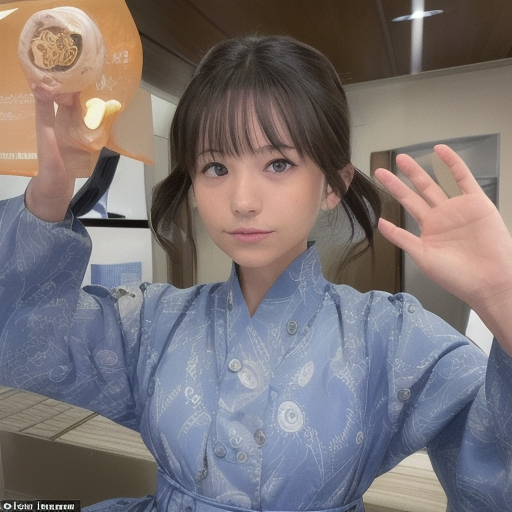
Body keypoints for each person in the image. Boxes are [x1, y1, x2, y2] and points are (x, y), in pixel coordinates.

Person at [1, 35, 511, 512]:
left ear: (333, 186)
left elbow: (491, 471)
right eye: (216, 168)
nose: (242, 201)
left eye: (279, 163)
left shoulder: (393, 337)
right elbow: (24, 343)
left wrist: (504, 300)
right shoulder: (150, 323)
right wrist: (49, 196)